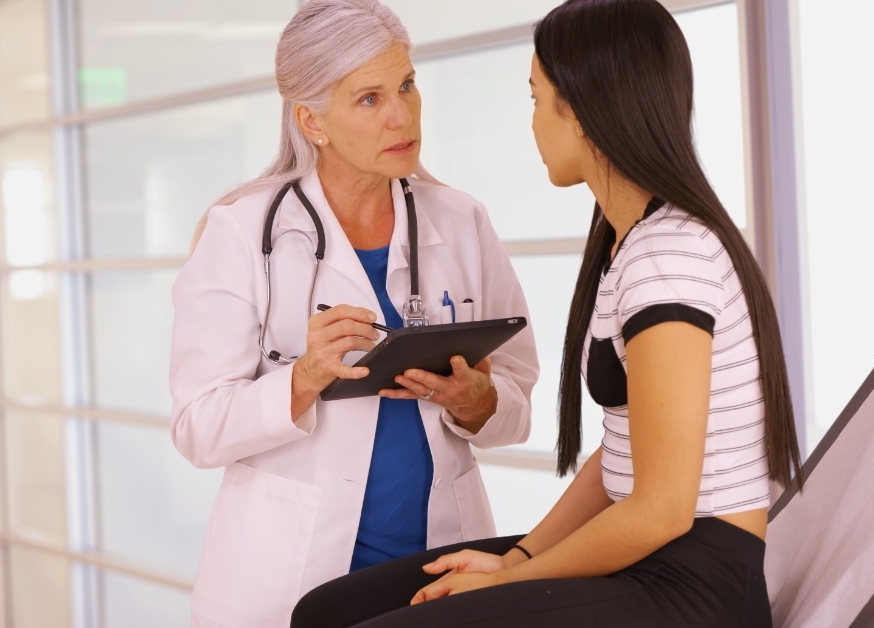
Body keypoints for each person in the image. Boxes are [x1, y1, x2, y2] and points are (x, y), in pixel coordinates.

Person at [290, 0, 805, 626]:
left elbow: (664, 510)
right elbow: (623, 453)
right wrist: (521, 555)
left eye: (536, 98)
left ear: (583, 113)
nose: (532, 122)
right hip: (650, 555)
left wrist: (516, 576)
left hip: (694, 585)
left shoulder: (669, 255)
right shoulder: (630, 243)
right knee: (328, 612)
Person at [169, 1, 539, 626]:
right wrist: (303, 378)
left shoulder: (461, 220)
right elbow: (197, 425)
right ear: (311, 120)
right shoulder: (242, 231)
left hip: (436, 567)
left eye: (406, 85)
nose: (402, 115)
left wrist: (479, 402)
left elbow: (518, 398)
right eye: (368, 99)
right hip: (288, 575)